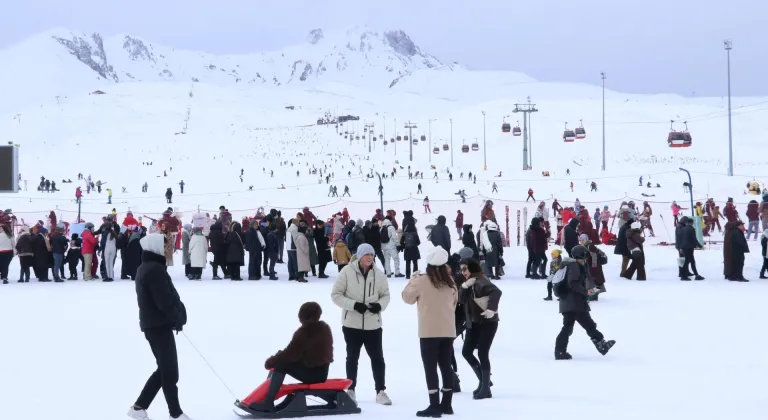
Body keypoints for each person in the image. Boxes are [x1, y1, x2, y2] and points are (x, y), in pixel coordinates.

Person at [128, 234, 190, 420]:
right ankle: (175, 413)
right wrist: (177, 317)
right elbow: (164, 300)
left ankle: (139, 408)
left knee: (165, 369)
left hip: (155, 325)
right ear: (155, 247)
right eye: (164, 246)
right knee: (169, 371)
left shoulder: (148, 267)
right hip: (157, 326)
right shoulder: (154, 270)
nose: (167, 249)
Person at [330, 243, 392, 405]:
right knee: (352, 358)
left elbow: (385, 295)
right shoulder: (346, 272)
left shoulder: (379, 275)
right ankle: (351, 390)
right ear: (359, 256)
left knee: (377, 359)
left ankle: (381, 391)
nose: (370, 258)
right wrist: (354, 305)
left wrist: (379, 306)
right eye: (367, 255)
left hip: (373, 325)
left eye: (372, 255)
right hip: (351, 325)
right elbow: (336, 295)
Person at [401, 246, 458, 416]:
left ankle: (434, 405)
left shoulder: (421, 280)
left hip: (428, 331)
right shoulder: (450, 282)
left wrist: (412, 280)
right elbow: (455, 302)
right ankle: (446, 404)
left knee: (430, 368)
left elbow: (407, 298)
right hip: (448, 330)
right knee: (446, 366)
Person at [248, 302, 334, 413]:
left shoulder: (305, 331)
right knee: (281, 359)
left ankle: (268, 402)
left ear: (302, 316)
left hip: (313, 374)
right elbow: (301, 352)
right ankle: (267, 399)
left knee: (281, 364)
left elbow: (290, 353)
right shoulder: (324, 328)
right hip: (321, 372)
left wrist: (272, 361)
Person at [554, 244, 615, 360]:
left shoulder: (571, 265)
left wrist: (589, 291)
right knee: (588, 325)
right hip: (575, 304)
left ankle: (560, 351)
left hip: (569, 303)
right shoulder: (574, 266)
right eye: (585, 256)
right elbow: (572, 283)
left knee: (568, 327)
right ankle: (601, 345)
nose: (586, 258)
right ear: (580, 256)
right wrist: (587, 292)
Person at [458, 258, 502, 400]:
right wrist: (464, 287)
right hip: (474, 323)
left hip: (487, 322)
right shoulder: (469, 282)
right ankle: (484, 381)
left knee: (483, 353)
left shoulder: (481, 281)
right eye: (461, 269)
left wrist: (491, 309)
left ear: (472, 268)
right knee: (466, 352)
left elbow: (496, 292)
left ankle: (485, 389)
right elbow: (461, 300)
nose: (462, 272)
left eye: (465, 268)